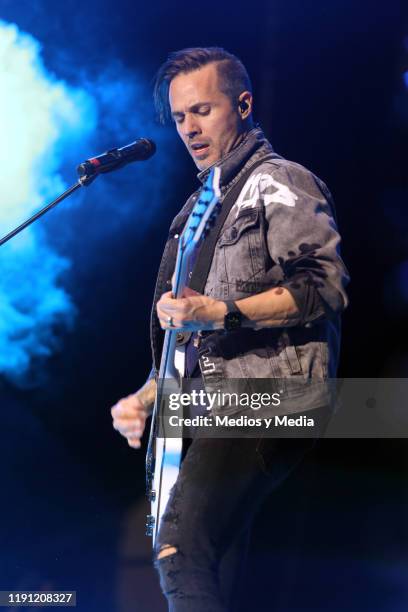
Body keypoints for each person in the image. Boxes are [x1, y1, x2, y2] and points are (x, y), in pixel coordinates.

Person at [111, 47, 349, 611]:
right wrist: (148, 396)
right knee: (214, 567)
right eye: (178, 118)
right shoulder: (197, 210)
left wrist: (220, 311)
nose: (189, 128)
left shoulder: (279, 182)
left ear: (242, 105)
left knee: (179, 546)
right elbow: (185, 335)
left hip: (266, 398)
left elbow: (324, 287)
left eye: (202, 111)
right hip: (208, 404)